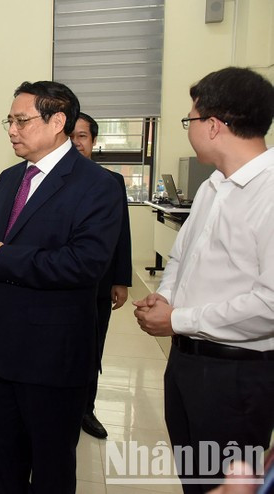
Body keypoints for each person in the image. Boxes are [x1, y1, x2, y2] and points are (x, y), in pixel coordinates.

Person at [0, 80, 123, 493]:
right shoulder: (9, 178)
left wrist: (1, 259)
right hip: (3, 349)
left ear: (57, 121)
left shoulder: (97, 184)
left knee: (51, 467)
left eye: (21, 121)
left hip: (54, 355)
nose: (12, 130)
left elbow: (85, 263)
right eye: (9, 121)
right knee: (7, 460)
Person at [133, 67, 274, 493]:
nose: (189, 128)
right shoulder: (215, 185)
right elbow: (182, 257)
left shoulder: (269, 191)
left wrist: (178, 319)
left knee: (227, 485)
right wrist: (165, 298)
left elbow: (270, 304)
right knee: (197, 483)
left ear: (213, 125)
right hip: (188, 363)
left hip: (236, 376)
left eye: (190, 119)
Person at [70, 112, 133, 439]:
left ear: (93, 141)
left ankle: (87, 408)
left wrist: (120, 279)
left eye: (82, 136)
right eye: (71, 136)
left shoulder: (111, 181)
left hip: (98, 284)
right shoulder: (55, 180)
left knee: (93, 347)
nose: (76, 142)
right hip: (60, 283)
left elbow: (122, 232)